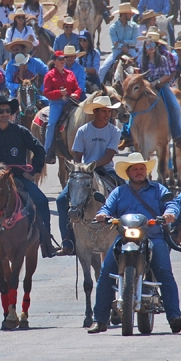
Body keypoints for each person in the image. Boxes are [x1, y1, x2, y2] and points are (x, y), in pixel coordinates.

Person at [88, 152, 181, 335]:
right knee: (105, 273)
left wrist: (169, 214)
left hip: (153, 237)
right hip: (124, 238)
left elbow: (171, 204)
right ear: (129, 173)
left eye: (142, 169)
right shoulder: (119, 192)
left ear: (146, 171)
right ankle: (99, 320)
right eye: (135, 169)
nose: (139, 172)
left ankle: (174, 316)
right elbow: (107, 208)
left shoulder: (158, 189)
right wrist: (103, 215)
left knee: (164, 272)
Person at [0, 96, 55, 261]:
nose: (5, 114)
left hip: (19, 177)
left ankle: (46, 240)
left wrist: (33, 170)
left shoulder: (21, 132)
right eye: (1, 111)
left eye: (8, 111)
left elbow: (39, 150)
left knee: (41, 201)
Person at [55, 96, 122, 256]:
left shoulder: (114, 131)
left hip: (105, 169)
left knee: (124, 192)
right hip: (84, 172)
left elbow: (108, 156)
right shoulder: (83, 130)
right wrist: (81, 170)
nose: (107, 115)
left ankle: (123, 233)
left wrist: (91, 167)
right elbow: (77, 155)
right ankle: (68, 241)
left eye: (109, 111)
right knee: (61, 200)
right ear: (95, 112)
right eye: (104, 111)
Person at [137, 29, 181, 149]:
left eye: (152, 44)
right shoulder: (142, 60)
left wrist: (156, 82)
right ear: (145, 48)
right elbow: (141, 74)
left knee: (174, 106)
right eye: (148, 45)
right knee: (133, 103)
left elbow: (167, 74)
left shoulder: (163, 58)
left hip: (162, 84)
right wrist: (148, 84)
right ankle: (128, 134)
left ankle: (178, 135)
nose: (151, 47)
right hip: (147, 85)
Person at [42, 51, 83, 162]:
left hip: (71, 102)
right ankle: (47, 151)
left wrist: (76, 94)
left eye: (63, 59)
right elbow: (46, 93)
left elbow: (77, 88)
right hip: (57, 103)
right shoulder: (49, 75)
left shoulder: (70, 74)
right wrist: (59, 93)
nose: (62, 61)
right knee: (51, 124)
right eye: (60, 59)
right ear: (54, 61)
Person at [99, 4, 141, 82]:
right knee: (102, 69)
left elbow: (135, 41)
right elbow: (115, 42)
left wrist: (123, 42)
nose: (131, 15)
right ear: (124, 14)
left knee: (142, 66)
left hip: (131, 50)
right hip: (117, 51)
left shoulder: (134, 26)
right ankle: (101, 89)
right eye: (130, 13)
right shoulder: (113, 27)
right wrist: (121, 46)